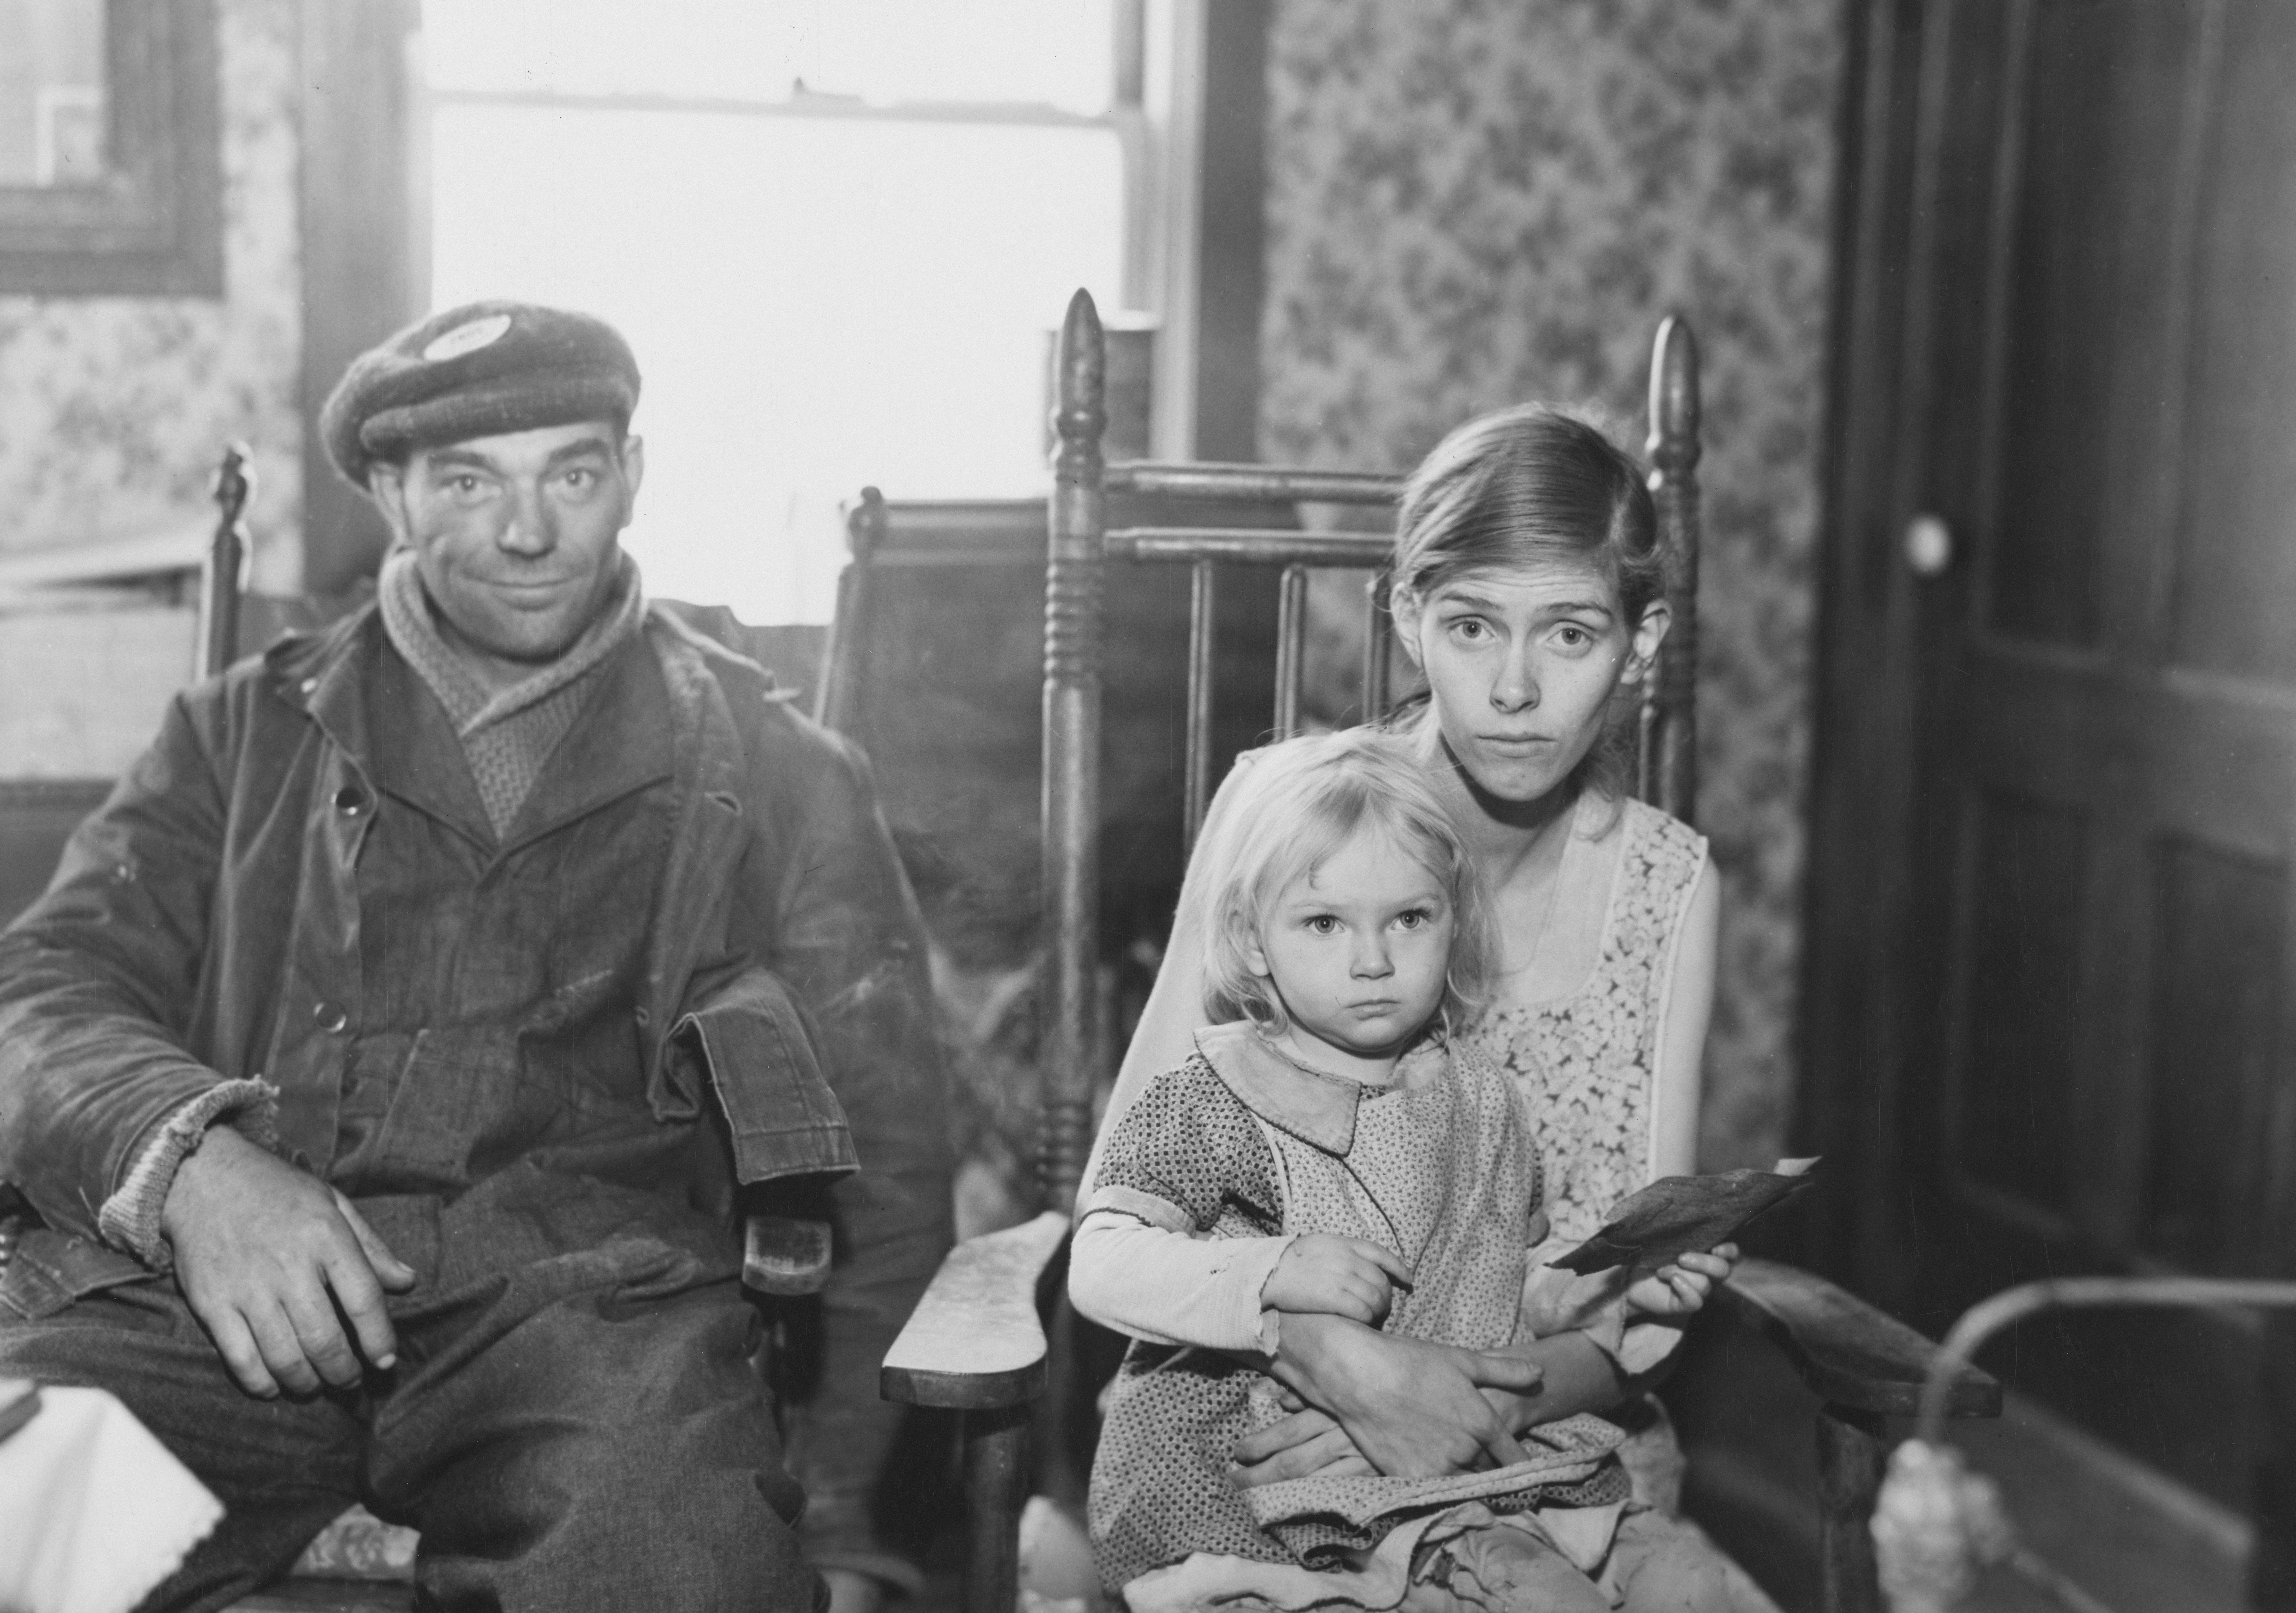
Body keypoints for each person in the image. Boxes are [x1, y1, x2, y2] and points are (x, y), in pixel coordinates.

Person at [0, 300, 952, 1611]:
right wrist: (195, 1166)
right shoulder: (241, 734)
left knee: (682, 1574)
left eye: (572, 470)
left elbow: (892, 1166)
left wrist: (842, 1507)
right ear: (390, 494)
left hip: (595, 1345)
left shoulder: (779, 766)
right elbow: (37, 997)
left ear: (631, 477)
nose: (528, 531)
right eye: (468, 480)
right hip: (229, 1311)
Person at [1084, 405, 1769, 1609]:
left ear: (1643, 640)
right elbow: (1129, 1197)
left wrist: (1437, 1392)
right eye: (1469, 627)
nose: (1514, 689)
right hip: (1251, 1430)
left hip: (1543, 1442)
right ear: (1408, 618)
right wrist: (1328, 1359)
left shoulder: (1666, 882)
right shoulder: (1281, 814)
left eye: (1568, 633)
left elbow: (1625, 1329)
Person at [1072, 729, 1670, 1613]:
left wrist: (1628, 1285)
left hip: (1441, 1481)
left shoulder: (1480, 1096)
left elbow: (1510, 1275)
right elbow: (1101, 1261)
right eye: (1323, 923)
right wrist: (1267, 1271)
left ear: (1452, 919)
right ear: (1250, 934)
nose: (1373, 960)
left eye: (1409, 919)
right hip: (1248, 1492)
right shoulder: (1213, 1094)